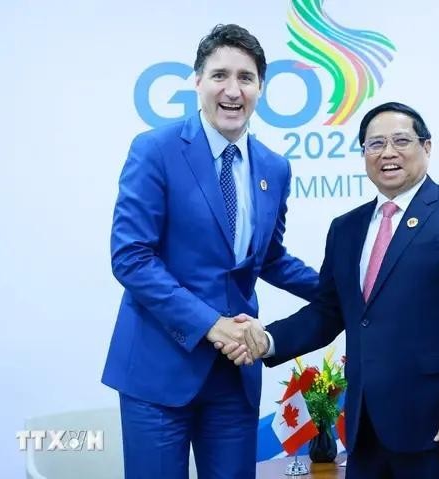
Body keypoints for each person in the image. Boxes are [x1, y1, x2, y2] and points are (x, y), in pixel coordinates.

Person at [223, 102, 439, 478]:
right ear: (363, 155)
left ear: (427, 147)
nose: (388, 153)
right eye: (375, 144)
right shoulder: (346, 228)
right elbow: (328, 312)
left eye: (401, 141)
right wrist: (266, 339)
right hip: (366, 429)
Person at [101, 23, 319, 479]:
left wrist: (345, 290)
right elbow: (132, 257)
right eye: (220, 75)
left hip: (232, 376)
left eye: (246, 77)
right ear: (197, 80)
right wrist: (210, 325)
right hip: (160, 369)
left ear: (261, 88)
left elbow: (270, 258)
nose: (233, 90)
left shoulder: (275, 168)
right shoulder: (155, 150)